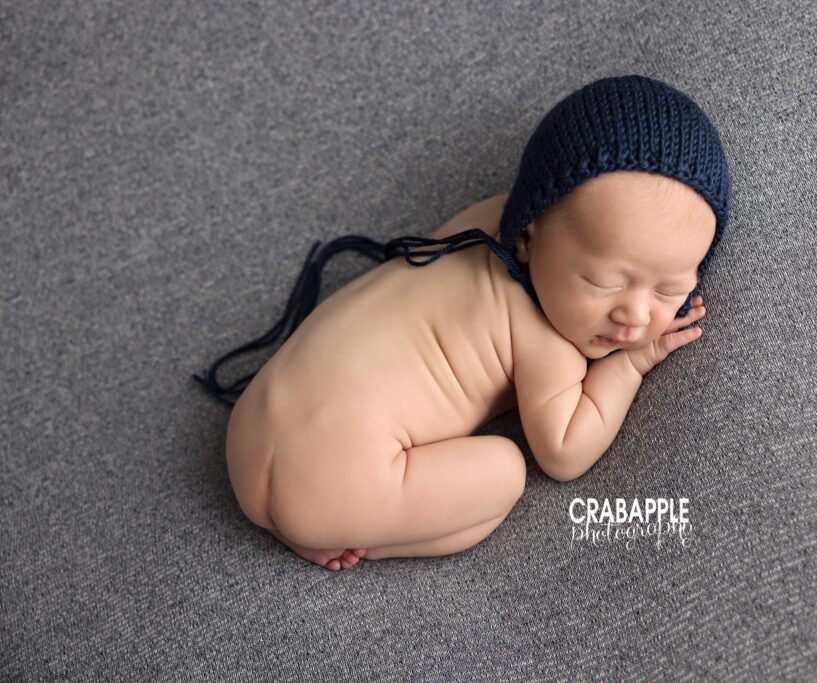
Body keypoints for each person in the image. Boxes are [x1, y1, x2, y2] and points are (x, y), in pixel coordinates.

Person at [193, 74, 731, 571]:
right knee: (504, 477)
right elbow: (565, 454)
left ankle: (311, 519)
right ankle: (352, 534)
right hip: (328, 486)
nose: (635, 315)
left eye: (669, 290)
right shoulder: (547, 341)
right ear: (527, 237)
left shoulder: (484, 217)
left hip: (252, 424)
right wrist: (630, 366)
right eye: (603, 281)